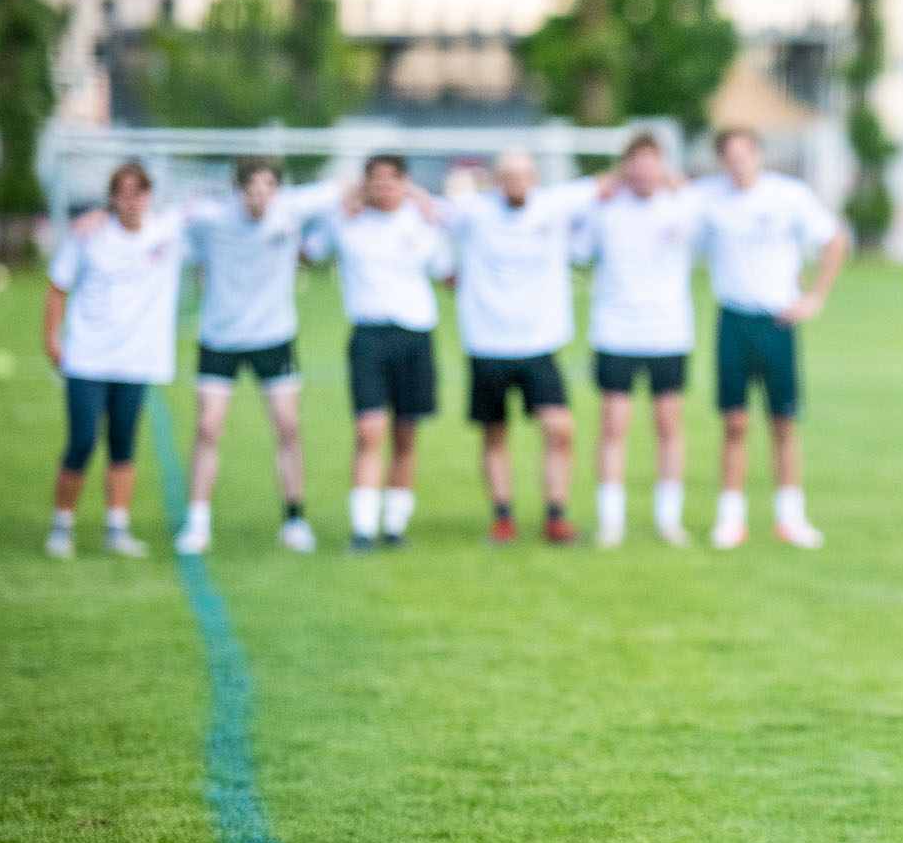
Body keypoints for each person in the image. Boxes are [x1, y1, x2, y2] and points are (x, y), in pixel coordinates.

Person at [171, 157, 346, 554]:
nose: (260, 198)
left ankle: (295, 520)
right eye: (251, 190)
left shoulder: (292, 210)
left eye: (268, 188)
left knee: (288, 426)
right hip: (220, 338)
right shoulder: (211, 218)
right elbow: (162, 222)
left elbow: (345, 190)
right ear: (238, 191)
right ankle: (197, 523)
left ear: (277, 190)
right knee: (208, 428)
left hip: (274, 337)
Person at [691, 127, 846, 550]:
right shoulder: (707, 198)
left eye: (745, 155)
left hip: (777, 322)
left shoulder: (788, 196)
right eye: (730, 157)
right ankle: (730, 518)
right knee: (735, 422)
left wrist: (814, 297)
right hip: (733, 320)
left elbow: (834, 240)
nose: (738, 164)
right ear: (721, 162)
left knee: (783, 422)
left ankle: (790, 517)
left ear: (759, 155)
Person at [437, 149, 599, 546]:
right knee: (495, 433)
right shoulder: (473, 213)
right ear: (496, 181)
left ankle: (556, 516)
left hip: (540, 344)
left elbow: (610, 182)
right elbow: (420, 210)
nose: (516, 183)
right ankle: (503, 517)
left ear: (535, 178)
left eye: (523, 175)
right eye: (508, 176)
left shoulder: (554, 207)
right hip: (487, 344)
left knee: (559, 427)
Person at [42, 160, 185, 559]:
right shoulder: (88, 234)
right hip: (87, 357)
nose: (132, 201)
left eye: (138, 193)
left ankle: (117, 528)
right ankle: (62, 526)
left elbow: (213, 209)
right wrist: (51, 339)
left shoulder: (167, 231)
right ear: (112, 198)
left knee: (123, 442)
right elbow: (57, 286)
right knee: (83, 440)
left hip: (135, 360)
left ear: (149, 196)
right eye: (123, 194)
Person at [314, 154, 450, 550]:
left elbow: (447, 272)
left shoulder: (422, 222)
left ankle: (394, 525)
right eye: (377, 179)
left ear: (405, 183)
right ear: (366, 183)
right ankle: (362, 528)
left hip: (415, 335)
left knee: (406, 434)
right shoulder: (347, 222)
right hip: (369, 336)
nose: (385, 186)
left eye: (393, 179)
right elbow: (309, 251)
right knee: (368, 430)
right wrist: (338, 208)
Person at [584, 131, 700, 547]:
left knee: (668, 423)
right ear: (626, 166)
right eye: (637, 160)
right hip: (616, 331)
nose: (645, 168)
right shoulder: (605, 209)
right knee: (614, 423)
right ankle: (610, 521)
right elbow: (577, 246)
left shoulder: (683, 205)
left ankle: (669, 519)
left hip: (668, 332)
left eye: (653, 160)